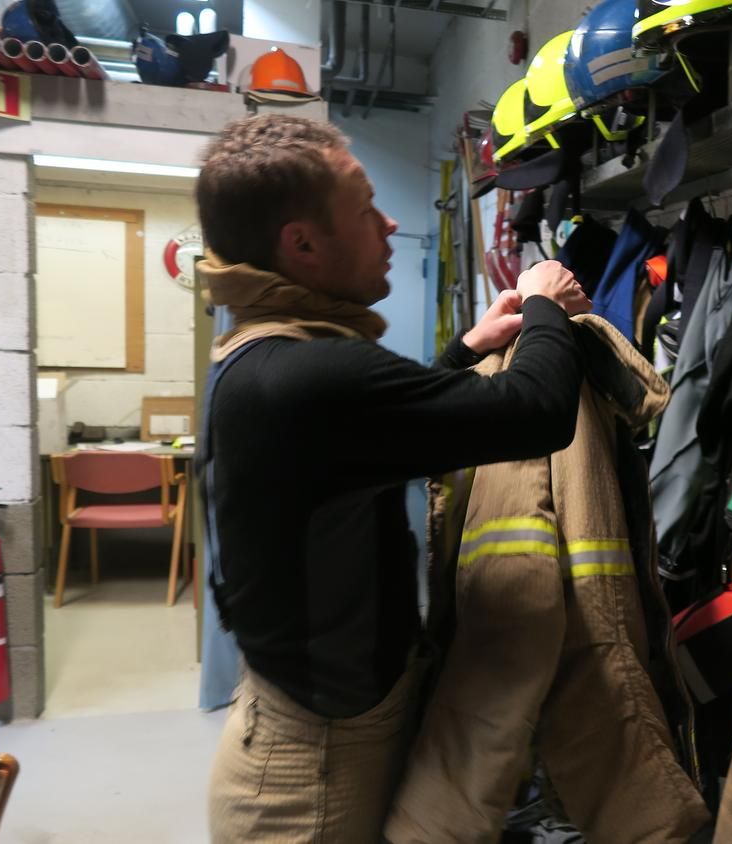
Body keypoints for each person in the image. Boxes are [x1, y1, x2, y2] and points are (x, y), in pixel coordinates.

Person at [195, 114, 590, 842]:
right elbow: (534, 413)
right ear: (303, 244)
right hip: (307, 778)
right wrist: (543, 302)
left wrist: (470, 348)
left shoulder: (264, 348)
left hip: (318, 725)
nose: (390, 223)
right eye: (366, 208)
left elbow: (377, 428)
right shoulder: (308, 374)